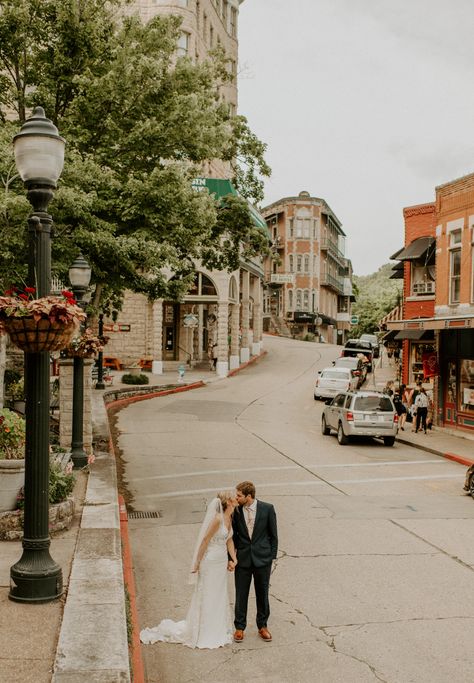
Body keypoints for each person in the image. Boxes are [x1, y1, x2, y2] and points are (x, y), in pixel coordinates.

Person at [140, 492, 238, 649]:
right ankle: (204, 632)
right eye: (234, 499)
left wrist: (234, 558)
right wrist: (197, 562)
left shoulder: (229, 518)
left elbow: (229, 539)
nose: (236, 500)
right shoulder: (218, 519)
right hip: (211, 561)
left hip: (221, 562)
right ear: (228, 503)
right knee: (208, 594)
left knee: (219, 594)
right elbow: (205, 540)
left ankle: (217, 627)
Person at [232, 481, 278, 643]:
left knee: (262, 594)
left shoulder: (267, 509)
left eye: (239, 495)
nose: (236, 498)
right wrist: (232, 559)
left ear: (248, 496)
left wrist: (271, 558)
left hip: (262, 560)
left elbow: (273, 536)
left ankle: (262, 626)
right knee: (241, 594)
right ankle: (239, 627)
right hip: (243, 560)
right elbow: (233, 537)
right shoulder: (236, 511)